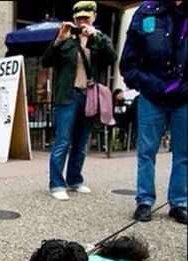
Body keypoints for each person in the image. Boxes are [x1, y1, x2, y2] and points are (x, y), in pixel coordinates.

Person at [120, 0, 187, 224]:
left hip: (184, 97)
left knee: (183, 154)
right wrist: (148, 83)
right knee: (146, 151)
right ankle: (144, 201)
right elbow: (128, 64)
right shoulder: (146, 11)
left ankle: (179, 203)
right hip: (152, 94)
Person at [41, 1, 117, 200]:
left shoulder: (99, 39)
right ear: (73, 19)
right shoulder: (65, 39)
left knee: (82, 142)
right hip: (68, 96)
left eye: (86, 17)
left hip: (90, 96)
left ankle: (75, 179)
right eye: (78, 18)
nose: (82, 21)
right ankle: (56, 184)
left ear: (94, 17)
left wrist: (96, 36)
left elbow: (112, 57)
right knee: (62, 140)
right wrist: (59, 39)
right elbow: (45, 61)